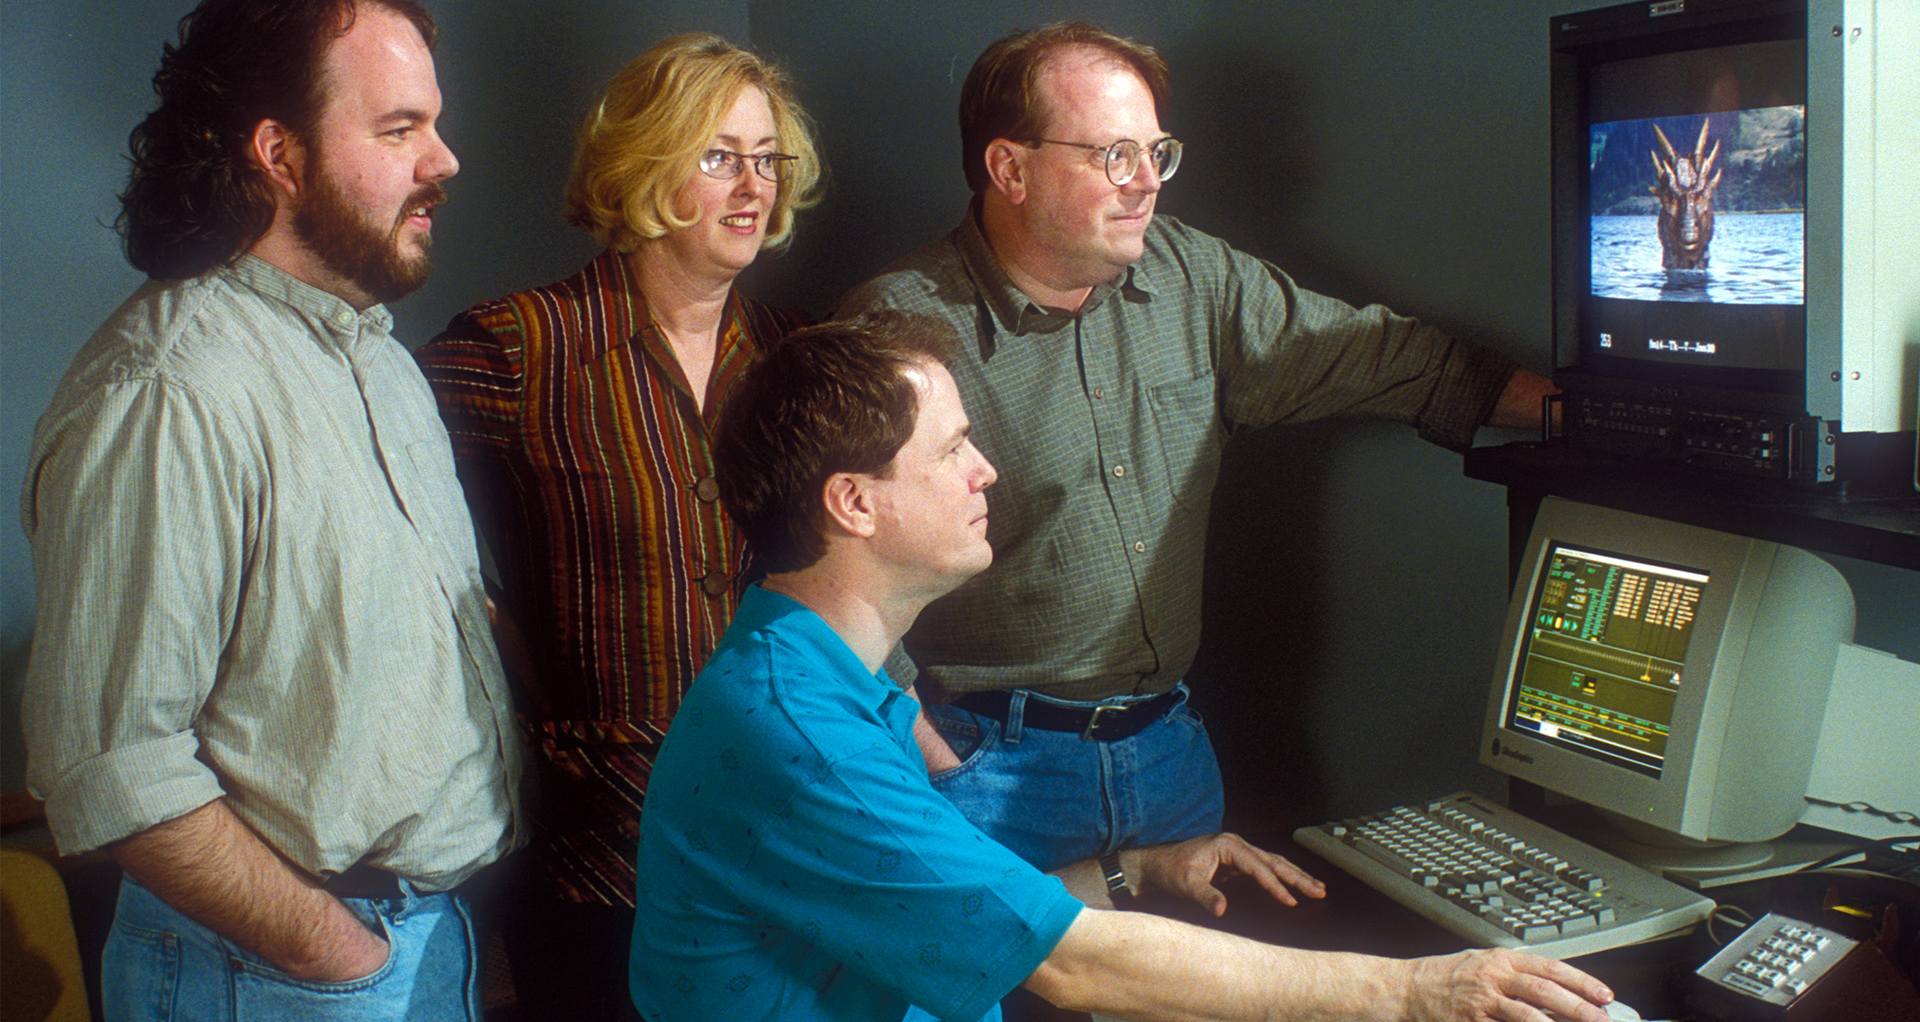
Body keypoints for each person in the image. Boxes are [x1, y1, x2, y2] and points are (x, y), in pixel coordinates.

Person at [628, 311, 1616, 1022]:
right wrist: (1416, 993)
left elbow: (961, 913)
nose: (988, 472)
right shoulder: (798, 734)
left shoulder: (819, 674)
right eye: (954, 449)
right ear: (853, 502)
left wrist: (1136, 868)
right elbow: (1071, 968)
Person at [838, 21, 1560, 871]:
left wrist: (1589, 413)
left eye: (1157, 152)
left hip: (1170, 762)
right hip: (989, 772)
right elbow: (828, 569)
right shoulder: (897, 327)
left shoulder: (1191, 277)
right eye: (1114, 154)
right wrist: (932, 755)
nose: (1147, 184)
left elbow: (1380, 358)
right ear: (1010, 168)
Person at [21, 0, 522, 1020]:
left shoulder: (376, 354)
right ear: (279, 153)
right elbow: (112, 767)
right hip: (281, 973)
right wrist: (342, 959)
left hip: (425, 949)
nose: (446, 159)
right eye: (398, 130)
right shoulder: (168, 389)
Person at [415, 33, 822, 1018]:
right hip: (601, 859)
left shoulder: (795, 357)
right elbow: (409, 553)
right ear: (640, 162)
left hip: (782, 838)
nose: (752, 185)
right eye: (719, 154)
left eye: (767, 158)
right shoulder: (514, 346)